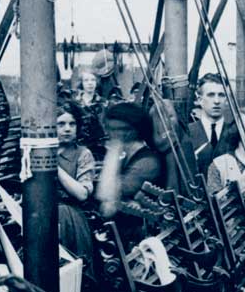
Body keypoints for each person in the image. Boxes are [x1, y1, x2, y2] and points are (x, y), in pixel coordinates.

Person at [95, 102, 164, 242]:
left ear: (129, 131)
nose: (107, 133)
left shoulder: (148, 162)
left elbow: (106, 195)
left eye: (112, 129)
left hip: (140, 238)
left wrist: (113, 152)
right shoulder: (127, 156)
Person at [55, 102, 96, 266]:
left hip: (70, 217)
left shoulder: (83, 154)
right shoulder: (37, 152)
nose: (67, 129)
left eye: (72, 124)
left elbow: (82, 193)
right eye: (61, 124)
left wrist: (54, 167)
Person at [189, 74, 232, 179]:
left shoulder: (236, 132)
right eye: (211, 95)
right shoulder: (187, 132)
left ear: (227, 100)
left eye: (221, 95)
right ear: (199, 99)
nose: (217, 101)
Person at [73, 69, 108, 159]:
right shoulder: (75, 104)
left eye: (93, 80)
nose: (90, 83)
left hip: (101, 146)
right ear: (81, 83)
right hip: (80, 145)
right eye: (86, 80)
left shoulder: (104, 103)